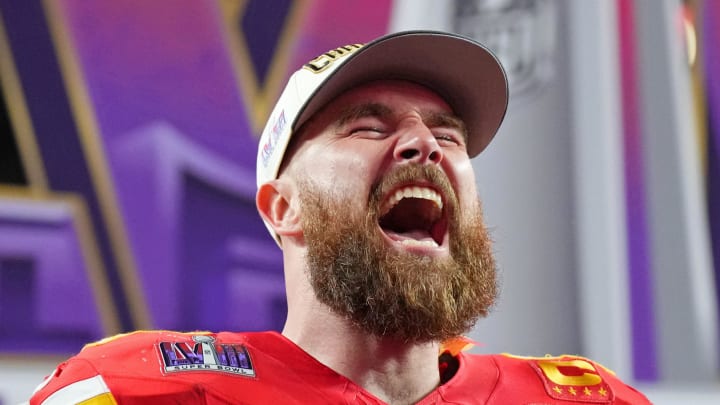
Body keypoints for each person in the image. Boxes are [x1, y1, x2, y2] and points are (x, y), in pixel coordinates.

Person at [28, 30, 650, 404]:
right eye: (368, 127)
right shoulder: (138, 390)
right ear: (283, 207)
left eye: (448, 137)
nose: (423, 146)